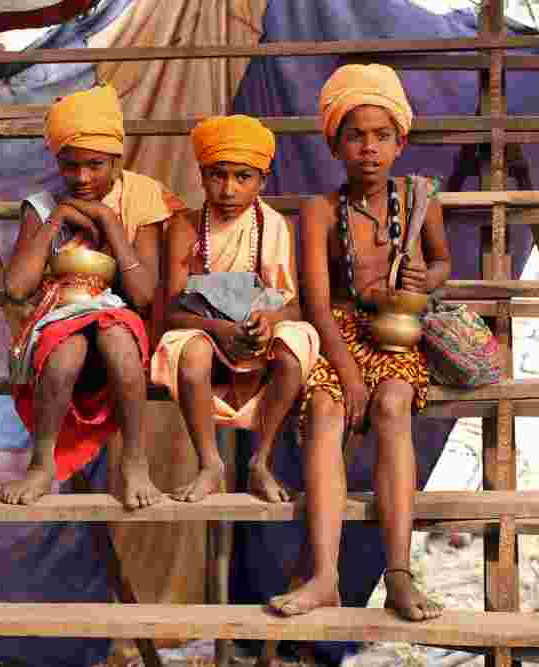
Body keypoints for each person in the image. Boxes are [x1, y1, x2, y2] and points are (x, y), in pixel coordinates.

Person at [268, 64, 451, 621]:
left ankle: (398, 573)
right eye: (355, 136)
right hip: (340, 335)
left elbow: (442, 262)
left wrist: (427, 280)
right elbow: (318, 306)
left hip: (396, 336)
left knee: (394, 406)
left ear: (400, 141)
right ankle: (324, 576)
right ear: (335, 144)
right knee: (325, 410)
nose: (368, 148)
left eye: (380, 136)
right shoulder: (320, 212)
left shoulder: (421, 200)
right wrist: (346, 376)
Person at [1, 84, 183, 509]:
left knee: (118, 341)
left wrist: (108, 221)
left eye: (96, 165)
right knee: (65, 356)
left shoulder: (141, 198)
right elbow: (16, 288)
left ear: (118, 160)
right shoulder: (44, 206)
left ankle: (135, 463)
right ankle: (41, 462)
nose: (82, 178)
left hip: (120, 324)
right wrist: (56, 220)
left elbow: (141, 294)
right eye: (71, 166)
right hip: (60, 323)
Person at [151, 115, 319, 503]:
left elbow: (293, 307)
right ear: (201, 175)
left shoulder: (274, 226)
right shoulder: (185, 227)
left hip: (256, 333)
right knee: (191, 354)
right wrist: (217, 328)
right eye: (217, 175)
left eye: (243, 177)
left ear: (262, 180)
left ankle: (261, 461)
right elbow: (173, 312)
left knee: (295, 350)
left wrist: (271, 318)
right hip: (201, 331)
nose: (228, 189)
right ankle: (210, 463)